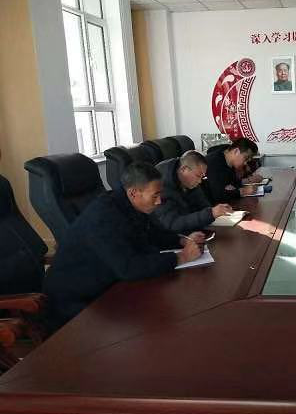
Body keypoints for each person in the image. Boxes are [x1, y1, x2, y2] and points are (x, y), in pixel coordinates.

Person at [43, 162, 204, 331]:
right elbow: (129, 268)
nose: (159, 201)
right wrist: (182, 256)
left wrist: (181, 240)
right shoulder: (104, 217)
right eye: (155, 196)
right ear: (134, 193)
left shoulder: (126, 203)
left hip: (109, 285)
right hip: (75, 301)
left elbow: (150, 233)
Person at [153, 150, 233, 233]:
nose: (200, 181)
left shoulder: (188, 180)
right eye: (198, 176)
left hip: (192, 231)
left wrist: (213, 211)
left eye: (202, 177)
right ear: (184, 169)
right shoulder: (160, 184)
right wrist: (210, 213)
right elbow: (172, 223)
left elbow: (203, 205)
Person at [204, 138, 259, 203]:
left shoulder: (228, 158)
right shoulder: (213, 163)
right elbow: (218, 195)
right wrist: (243, 191)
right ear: (236, 151)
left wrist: (245, 182)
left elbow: (232, 184)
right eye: (245, 158)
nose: (245, 163)